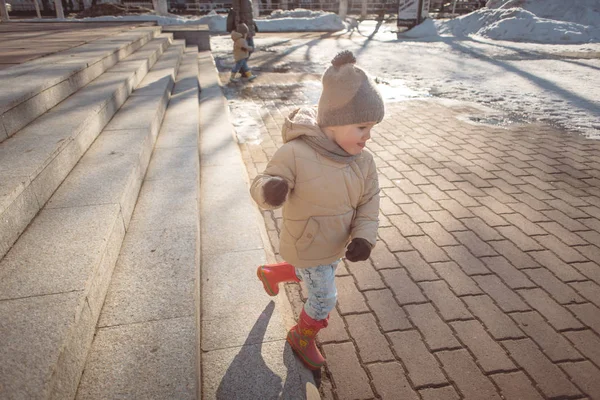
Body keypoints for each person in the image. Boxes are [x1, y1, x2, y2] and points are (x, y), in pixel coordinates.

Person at [251, 50, 384, 370]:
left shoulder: (364, 162)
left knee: (310, 271)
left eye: (371, 129)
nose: (368, 137)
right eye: (362, 127)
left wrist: (365, 238)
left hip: (334, 244)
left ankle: (272, 272)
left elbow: (370, 203)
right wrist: (271, 189)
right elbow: (262, 183)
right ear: (335, 122)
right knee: (324, 297)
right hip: (309, 241)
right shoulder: (297, 152)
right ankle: (301, 336)